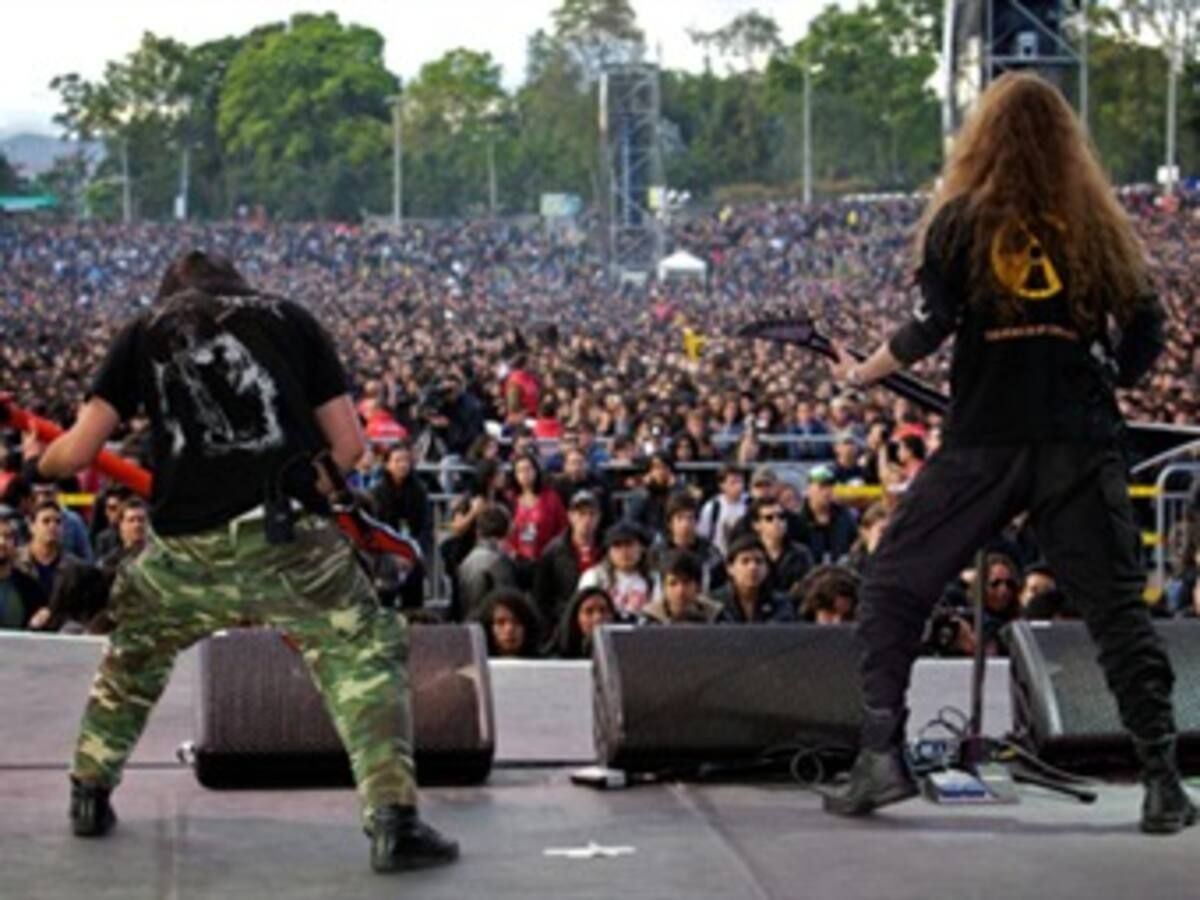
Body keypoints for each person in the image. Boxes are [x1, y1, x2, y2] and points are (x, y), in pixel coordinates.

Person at [821, 73, 1195, 833]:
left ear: (981, 138)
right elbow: (1148, 329)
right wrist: (1107, 379)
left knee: (895, 583)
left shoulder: (960, 220)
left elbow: (929, 327)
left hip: (986, 437)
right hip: (1078, 441)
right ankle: (1162, 779)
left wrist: (858, 372)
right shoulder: (1095, 223)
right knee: (1118, 612)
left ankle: (880, 757)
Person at [31, 251, 457, 872]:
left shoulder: (143, 332)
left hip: (185, 554)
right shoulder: (292, 318)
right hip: (289, 538)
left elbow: (76, 455)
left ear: (170, 294)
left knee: (134, 656)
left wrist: (38, 459)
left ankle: (88, 794)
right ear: (237, 284)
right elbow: (351, 446)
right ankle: (394, 822)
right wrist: (302, 486)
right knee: (361, 657)